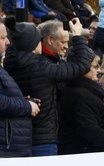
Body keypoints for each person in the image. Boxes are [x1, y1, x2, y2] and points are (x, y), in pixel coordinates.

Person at [5, 19, 92, 157]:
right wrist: (77, 36)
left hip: (21, 136)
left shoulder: (9, 64)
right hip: (44, 139)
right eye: (38, 40)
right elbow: (81, 67)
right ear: (32, 44)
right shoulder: (41, 68)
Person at [0, 16, 40, 158]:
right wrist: (26, 106)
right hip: (0, 150)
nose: (8, 42)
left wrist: (22, 101)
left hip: (6, 148)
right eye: (3, 38)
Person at [58, 52, 104, 154]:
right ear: (83, 69)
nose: (99, 70)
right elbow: (90, 132)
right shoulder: (81, 96)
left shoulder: (89, 91)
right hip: (85, 154)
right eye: (95, 66)